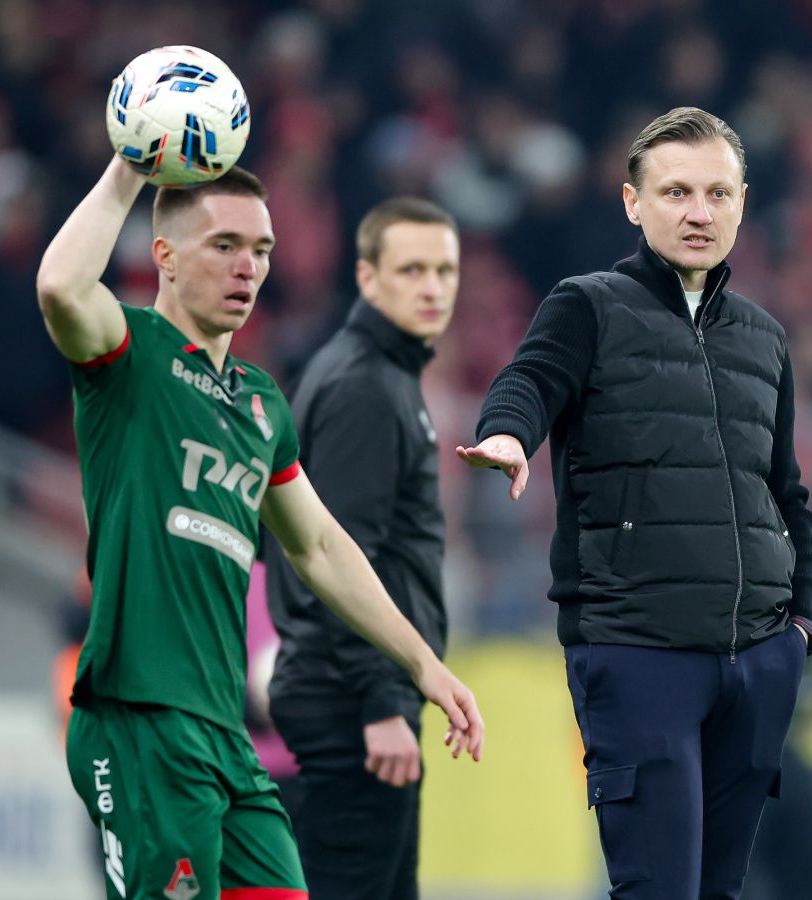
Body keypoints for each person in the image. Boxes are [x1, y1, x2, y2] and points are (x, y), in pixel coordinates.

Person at [36, 156, 484, 900]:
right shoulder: (130, 354)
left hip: (227, 738)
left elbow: (320, 545)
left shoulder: (260, 404)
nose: (248, 267)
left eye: (261, 249)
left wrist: (420, 664)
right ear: (165, 257)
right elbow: (59, 287)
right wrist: (129, 168)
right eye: (225, 245)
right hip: (143, 718)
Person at [457, 106, 812, 900]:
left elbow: (784, 489)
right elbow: (528, 381)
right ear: (633, 202)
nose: (699, 212)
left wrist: (798, 627)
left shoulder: (765, 338)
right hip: (637, 649)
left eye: (717, 194)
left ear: (742, 203)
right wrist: (508, 434)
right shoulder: (587, 305)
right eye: (677, 192)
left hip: (758, 659)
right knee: (657, 889)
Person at [265, 197, 460, 899]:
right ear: (367, 278)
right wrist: (382, 701)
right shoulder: (366, 387)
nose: (432, 287)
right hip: (350, 700)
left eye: (444, 270)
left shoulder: (375, 373)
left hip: (348, 691)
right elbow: (340, 558)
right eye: (411, 270)